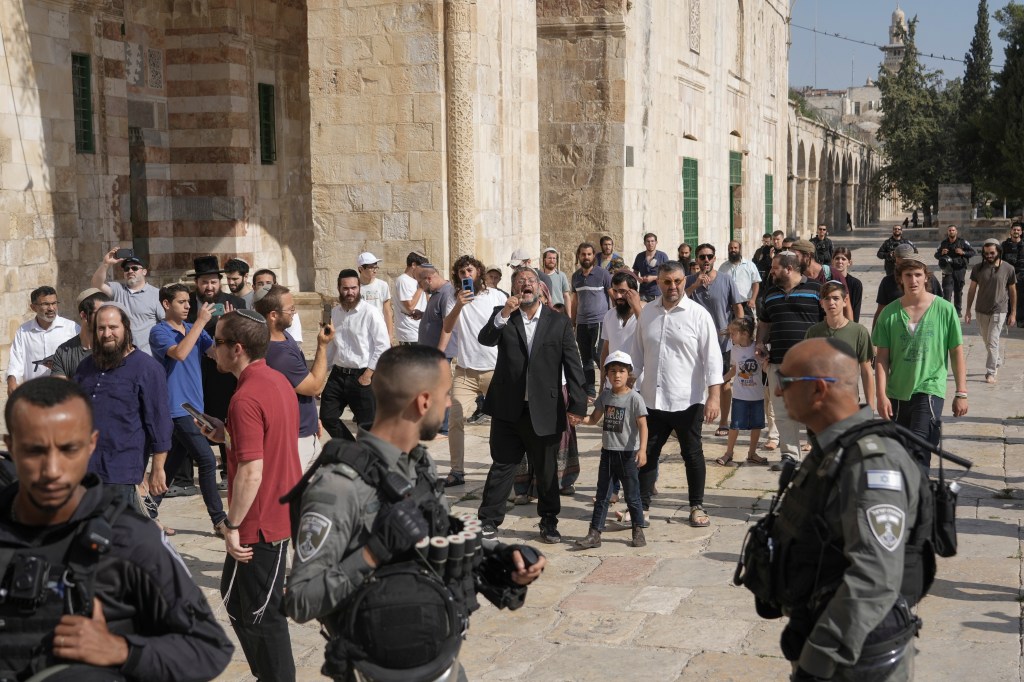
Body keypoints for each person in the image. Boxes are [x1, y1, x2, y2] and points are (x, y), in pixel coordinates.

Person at [282, 345, 546, 681]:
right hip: (379, 666)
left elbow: (440, 536)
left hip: (438, 656)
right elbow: (301, 600)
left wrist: (504, 558)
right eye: (445, 394)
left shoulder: (418, 465)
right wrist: (371, 554)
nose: (449, 402)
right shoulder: (338, 487)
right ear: (423, 402)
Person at [0, 377, 234, 681]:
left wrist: (122, 651)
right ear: (11, 447)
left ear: (91, 444)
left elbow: (209, 648)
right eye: (35, 451)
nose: (52, 469)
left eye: (68, 449)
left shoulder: (131, 540)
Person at [767, 338, 926, 681]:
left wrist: (817, 662)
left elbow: (875, 578)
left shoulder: (872, 464)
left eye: (786, 382)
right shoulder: (834, 449)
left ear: (819, 390)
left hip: (859, 656)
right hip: (829, 630)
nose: (778, 393)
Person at [199, 309, 301, 682]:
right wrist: (226, 436)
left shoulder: (245, 399)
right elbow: (266, 441)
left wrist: (232, 525)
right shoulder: (276, 382)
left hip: (260, 524)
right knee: (236, 601)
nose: (211, 350)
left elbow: (253, 472)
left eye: (217, 343)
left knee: (262, 615)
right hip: (267, 516)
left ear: (237, 349)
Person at [476, 268, 588, 543]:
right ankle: (488, 521)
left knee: (547, 468)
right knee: (503, 465)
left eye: (530, 281)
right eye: (519, 282)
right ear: (514, 289)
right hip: (508, 410)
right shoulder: (504, 316)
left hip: (545, 410)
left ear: (540, 288)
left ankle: (549, 521)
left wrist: (578, 404)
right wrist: (503, 313)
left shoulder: (557, 322)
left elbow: (573, 365)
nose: (525, 284)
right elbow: (485, 339)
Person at [632, 261, 722, 528]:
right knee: (647, 452)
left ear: (685, 281)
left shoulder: (698, 315)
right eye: (667, 282)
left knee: (692, 454)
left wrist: (714, 397)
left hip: (687, 399)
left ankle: (696, 505)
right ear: (658, 282)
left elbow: (713, 359)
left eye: (678, 281)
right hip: (653, 399)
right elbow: (637, 357)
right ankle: (642, 507)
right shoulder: (647, 313)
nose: (672, 286)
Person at [74, 304, 171, 512]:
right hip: (83, 470)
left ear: (126, 328)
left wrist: (158, 468)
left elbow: (159, 421)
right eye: (101, 328)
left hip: (122, 470)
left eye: (113, 327)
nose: (107, 334)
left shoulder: (147, 368)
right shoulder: (85, 367)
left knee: (119, 537)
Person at [148, 284, 227, 531]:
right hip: (176, 408)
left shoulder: (194, 329)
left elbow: (215, 354)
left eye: (187, 302)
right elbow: (180, 353)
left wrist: (224, 328)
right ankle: (219, 520)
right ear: (166, 304)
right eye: (181, 302)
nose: (187, 306)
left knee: (170, 467)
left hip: (196, 408)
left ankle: (146, 513)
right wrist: (202, 323)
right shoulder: (159, 332)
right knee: (206, 460)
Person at [873, 255, 967, 453]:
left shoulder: (945, 310)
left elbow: (956, 352)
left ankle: (919, 482)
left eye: (918, 274)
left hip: (929, 389)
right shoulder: (889, 313)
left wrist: (961, 392)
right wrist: (881, 395)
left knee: (919, 450)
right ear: (900, 278)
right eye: (908, 275)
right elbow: (881, 358)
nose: (913, 280)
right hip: (897, 393)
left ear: (926, 277)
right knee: (900, 454)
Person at [442, 256, 508, 486]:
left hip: (493, 369)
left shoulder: (496, 296)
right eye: (461, 272)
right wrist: (460, 304)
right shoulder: (453, 298)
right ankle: (457, 471)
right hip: (465, 371)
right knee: (455, 420)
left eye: (469, 270)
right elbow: (447, 327)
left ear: (478, 271)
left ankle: (505, 469)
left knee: (504, 421)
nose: (466, 275)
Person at [756, 251, 823, 470]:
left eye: (775, 268)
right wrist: (759, 343)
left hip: (810, 363)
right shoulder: (770, 293)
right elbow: (764, 322)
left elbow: (827, 322)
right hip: (779, 362)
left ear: (789, 269)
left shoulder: (815, 289)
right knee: (783, 412)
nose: (771, 272)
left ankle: (819, 456)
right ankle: (790, 456)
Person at [574, 351, 648, 549]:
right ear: (606, 374)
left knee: (632, 496)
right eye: (613, 371)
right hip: (608, 454)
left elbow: (643, 425)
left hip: (627, 455)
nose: (617, 375)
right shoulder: (605, 396)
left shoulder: (634, 399)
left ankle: (638, 529)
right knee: (602, 496)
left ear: (629, 374)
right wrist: (578, 419)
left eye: (621, 371)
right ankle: (594, 533)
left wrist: (642, 450)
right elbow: (594, 419)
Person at [256, 284, 333, 469]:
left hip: (306, 431)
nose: (294, 312)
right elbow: (314, 387)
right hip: (295, 440)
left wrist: (314, 419)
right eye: (290, 309)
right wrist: (322, 346)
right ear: (273, 315)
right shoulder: (279, 354)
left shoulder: (283, 337)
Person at [322, 268, 391, 440]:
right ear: (339, 289)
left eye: (354, 288)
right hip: (338, 375)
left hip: (362, 376)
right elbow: (332, 346)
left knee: (367, 426)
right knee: (327, 417)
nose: (350, 292)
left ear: (359, 288)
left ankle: (367, 460)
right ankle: (351, 449)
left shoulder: (370, 313)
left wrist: (368, 374)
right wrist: (321, 373)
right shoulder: (335, 313)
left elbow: (383, 345)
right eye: (346, 288)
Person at [684, 244, 742, 437]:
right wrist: (694, 286)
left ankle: (724, 421)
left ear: (715, 258)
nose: (706, 260)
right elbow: (676, 302)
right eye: (702, 257)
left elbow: (737, 308)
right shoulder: (689, 281)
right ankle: (695, 422)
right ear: (697, 260)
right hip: (694, 343)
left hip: (722, 343)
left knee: (723, 383)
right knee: (695, 383)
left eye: (709, 256)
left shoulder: (726, 280)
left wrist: (738, 334)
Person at [805, 281, 875, 411]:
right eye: (827, 298)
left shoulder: (859, 332)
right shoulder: (813, 332)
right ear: (821, 303)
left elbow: (866, 371)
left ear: (845, 301)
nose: (831, 303)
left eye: (836, 298)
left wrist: (870, 405)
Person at [6, 286, 79, 395]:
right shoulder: (23, 331)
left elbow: (83, 358)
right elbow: (16, 361)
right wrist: (11, 381)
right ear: (33, 307)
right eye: (45, 304)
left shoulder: (72, 328)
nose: (51, 308)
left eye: (54, 303)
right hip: (34, 395)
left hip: (64, 395)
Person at [714, 317, 766, 467]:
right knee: (735, 426)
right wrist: (721, 379)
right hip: (739, 396)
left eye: (733, 334)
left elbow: (764, 366)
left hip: (757, 395)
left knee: (757, 426)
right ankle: (729, 453)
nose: (731, 337)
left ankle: (752, 453)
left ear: (744, 333)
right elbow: (735, 369)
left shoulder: (757, 347)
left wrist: (763, 358)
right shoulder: (735, 350)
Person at [90, 250, 164, 355]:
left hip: (146, 356)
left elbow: (165, 323)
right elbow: (96, 284)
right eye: (126, 269)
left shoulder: (156, 294)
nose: (130, 271)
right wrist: (106, 264)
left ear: (144, 272)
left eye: (134, 268)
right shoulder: (117, 289)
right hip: (120, 355)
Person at [965, 239, 1017, 383]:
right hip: (981, 310)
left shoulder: (1008, 268)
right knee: (987, 341)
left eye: (992, 253)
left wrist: (1013, 313)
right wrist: (968, 310)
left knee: (993, 341)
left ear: (998, 252)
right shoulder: (977, 268)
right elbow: (972, 289)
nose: (989, 255)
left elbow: (1012, 291)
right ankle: (997, 360)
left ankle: (990, 372)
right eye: (986, 253)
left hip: (999, 310)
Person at [571, 242, 613, 401]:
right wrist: (572, 321)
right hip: (582, 324)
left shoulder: (603, 274)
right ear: (579, 256)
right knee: (586, 359)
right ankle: (590, 392)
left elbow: (612, 296)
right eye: (583, 254)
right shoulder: (576, 277)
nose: (586, 257)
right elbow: (575, 301)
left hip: (599, 322)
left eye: (589, 254)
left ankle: (608, 386)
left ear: (593, 256)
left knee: (598, 355)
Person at [873, 244, 943, 325]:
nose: (913, 281)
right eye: (900, 264)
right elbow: (880, 311)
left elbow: (939, 305)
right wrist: (875, 334)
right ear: (896, 261)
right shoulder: (887, 282)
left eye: (906, 263)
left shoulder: (929, 279)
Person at [51, 289, 110, 379]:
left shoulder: (114, 348)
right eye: (100, 313)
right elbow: (60, 389)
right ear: (84, 315)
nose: (106, 318)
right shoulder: (64, 352)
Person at [599, 270, 644, 385]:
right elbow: (606, 349)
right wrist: (603, 381)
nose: (618, 296)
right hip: (613, 385)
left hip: (638, 385)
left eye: (623, 291)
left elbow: (648, 334)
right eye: (615, 291)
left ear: (634, 291)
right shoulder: (609, 315)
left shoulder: (647, 312)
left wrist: (636, 307)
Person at [251, 268, 303, 342]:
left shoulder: (289, 311)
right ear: (254, 287)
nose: (265, 287)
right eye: (260, 284)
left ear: (275, 285)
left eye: (268, 283)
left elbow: (295, 339)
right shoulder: (250, 308)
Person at [934, 224, 975, 316]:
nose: (951, 232)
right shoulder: (943, 243)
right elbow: (936, 255)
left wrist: (963, 252)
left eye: (953, 230)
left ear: (956, 232)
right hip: (947, 270)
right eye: (950, 230)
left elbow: (972, 252)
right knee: (947, 290)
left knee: (958, 290)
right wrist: (941, 253)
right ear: (947, 232)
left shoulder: (963, 242)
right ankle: (946, 311)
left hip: (959, 270)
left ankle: (957, 311)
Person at [355, 252, 395, 342]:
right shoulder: (354, 287)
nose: (375, 270)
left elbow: (387, 311)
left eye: (376, 267)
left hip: (379, 331)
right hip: (360, 332)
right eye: (371, 267)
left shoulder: (382, 285)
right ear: (361, 269)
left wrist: (390, 334)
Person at [718, 239, 762, 318]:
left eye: (735, 248)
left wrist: (753, 299)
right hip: (728, 305)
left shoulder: (750, 265)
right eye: (731, 248)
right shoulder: (723, 267)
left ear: (740, 249)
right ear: (728, 250)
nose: (733, 250)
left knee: (746, 328)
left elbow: (756, 283)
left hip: (745, 304)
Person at [394, 250, 429, 345]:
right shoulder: (402, 280)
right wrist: (421, 287)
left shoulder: (417, 280)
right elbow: (409, 307)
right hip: (409, 332)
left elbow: (427, 302)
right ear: (413, 265)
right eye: (422, 268)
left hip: (421, 329)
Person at [632, 233, 669, 301]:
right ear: (644, 243)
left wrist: (654, 278)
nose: (650, 243)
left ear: (656, 242)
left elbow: (668, 274)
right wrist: (638, 278)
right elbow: (635, 272)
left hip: (658, 292)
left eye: (652, 241)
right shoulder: (639, 256)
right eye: (648, 241)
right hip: (643, 293)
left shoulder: (662, 256)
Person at [829, 247, 862, 322]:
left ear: (849, 262)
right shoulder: (827, 281)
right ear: (832, 261)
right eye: (837, 258)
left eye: (843, 259)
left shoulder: (856, 284)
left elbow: (856, 309)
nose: (840, 261)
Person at [1001, 223, 1024, 325]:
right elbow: (999, 260)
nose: (1016, 232)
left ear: (1021, 232)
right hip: (1008, 275)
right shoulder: (1004, 245)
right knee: (1007, 296)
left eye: (1018, 230)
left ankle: (1020, 319)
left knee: (1021, 297)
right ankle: (1009, 316)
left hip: (1022, 275)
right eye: (1014, 230)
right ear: (1011, 231)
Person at [541, 247, 573, 317]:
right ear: (544, 259)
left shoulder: (561, 276)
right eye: (549, 258)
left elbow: (566, 296)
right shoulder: (539, 276)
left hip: (559, 313)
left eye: (554, 258)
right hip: (543, 314)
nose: (552, 260)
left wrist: (569, 317)